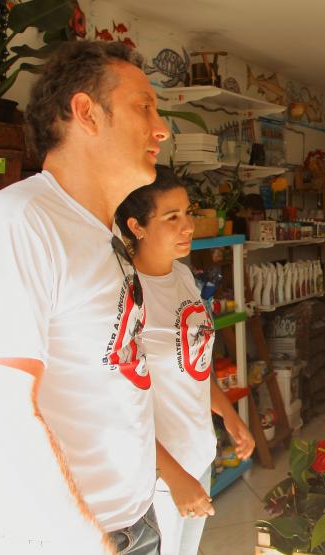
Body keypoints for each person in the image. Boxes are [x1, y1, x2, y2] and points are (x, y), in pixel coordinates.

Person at [0, 40, 169, 554]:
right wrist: (83, 538)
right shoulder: (17, 225)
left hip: (132, 520)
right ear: (85, 112)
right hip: (61, 536)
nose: (161, 128)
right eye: (144, 106)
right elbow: (3, 412)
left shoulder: (101, 231)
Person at [115, 166, 255, 555]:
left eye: (188, 213)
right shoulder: (126, 293)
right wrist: (173, 476)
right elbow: (118, 406)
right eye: (171, 217)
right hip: (160, 475)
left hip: (198, 455)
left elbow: (192, 366)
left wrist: (228, 415)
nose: (188, 226)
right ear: (137, 227)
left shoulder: (183, 277)